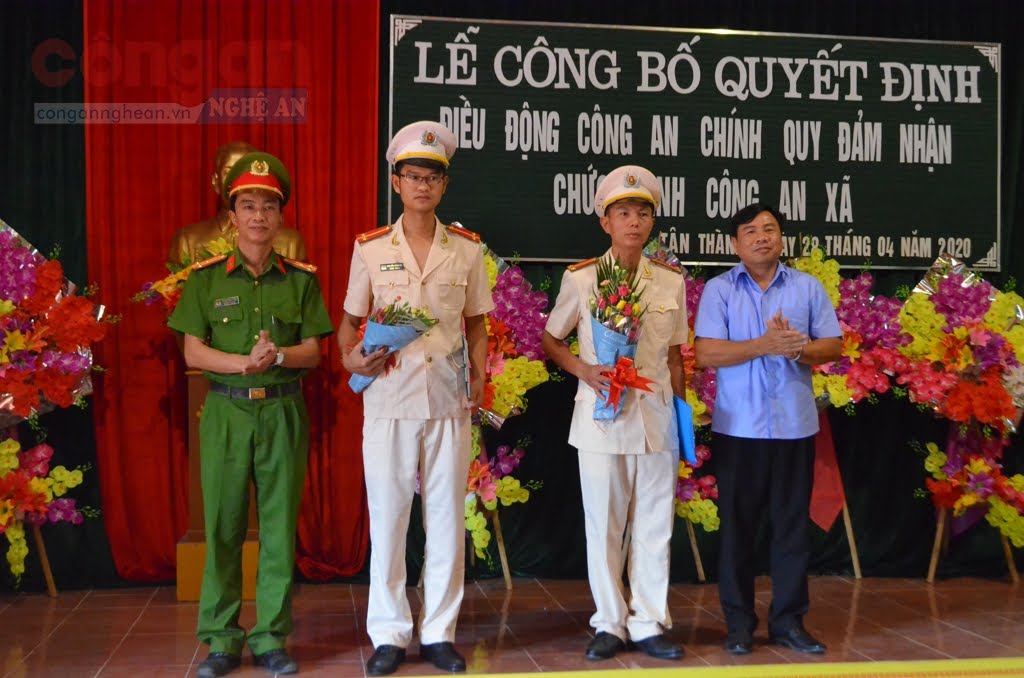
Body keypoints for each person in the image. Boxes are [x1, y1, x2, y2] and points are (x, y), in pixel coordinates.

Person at [168, 151, 334, 677]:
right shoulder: (207, 278)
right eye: (248, 205)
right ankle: (220, 640)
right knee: (221, 527)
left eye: (268, 205)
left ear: (280, 215)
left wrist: (279, 355)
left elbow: (316, 351)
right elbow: (193, 352)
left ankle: (270, 638)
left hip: (283, 412)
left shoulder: (300, 280)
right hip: (226, 414)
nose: (258, 215)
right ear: (233, 214)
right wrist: (245, 363)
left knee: (280, 530)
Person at [338, 121, 492, 676]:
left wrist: (478, 368)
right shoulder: (372, 248)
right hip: (388, 400)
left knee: (448, 518)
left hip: (449, 400)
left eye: (433, 176)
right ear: (396, 181)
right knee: (391, 518)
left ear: (444, 185)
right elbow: (349, 325)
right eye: (412, 175)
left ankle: (439, 632)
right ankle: (389, 631)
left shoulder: (468, 251)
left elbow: (476, 322)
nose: (422, 185)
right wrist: (352, 358)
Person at [541, 165, 687, 662]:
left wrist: (683, 422)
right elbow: (551, 339)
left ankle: (648, 621)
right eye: (623, 212)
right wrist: (584, 370)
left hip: (655, 418)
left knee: (653, 525)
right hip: (601, 418)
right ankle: (610, 622)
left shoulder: (669, 281)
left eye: (643, 213)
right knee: (603, 524)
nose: (634, 222)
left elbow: (674, 356)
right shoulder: (581, 279)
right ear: (605, 221)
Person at [693, 203, 841, 657]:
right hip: (739, 429)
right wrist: (764, 345)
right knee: (737, 529)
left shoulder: (806, 288)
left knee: (792, 529)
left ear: (781, 239)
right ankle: (738, 624)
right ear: (735, 243)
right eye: (751, 231)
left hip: (795, 427)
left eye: (770, 229)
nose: (762, 237)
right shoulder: (719, 291)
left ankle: (789, 622)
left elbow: (832, 345)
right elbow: (705, 354)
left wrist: (798, 350)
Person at [167, 141, 307, 267]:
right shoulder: (188, 240)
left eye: (244, 174)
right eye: (229, 172)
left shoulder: (290, 243)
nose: (237, 182)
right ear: (215, 181)